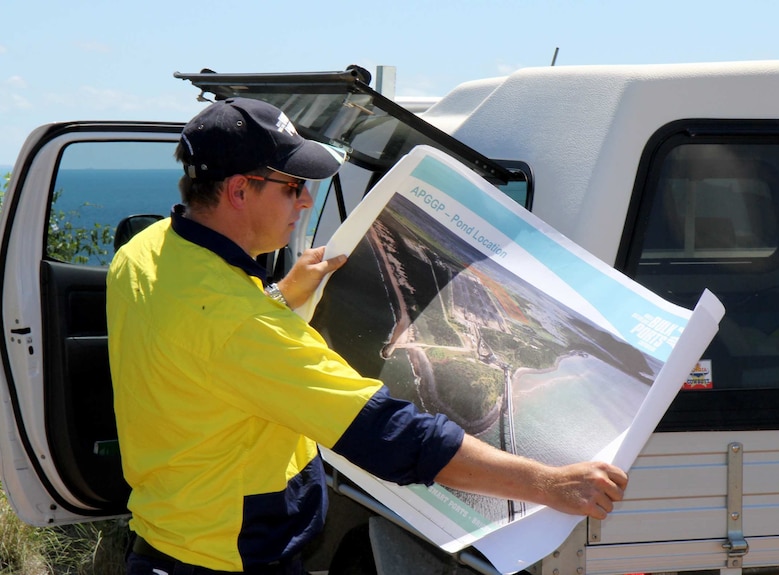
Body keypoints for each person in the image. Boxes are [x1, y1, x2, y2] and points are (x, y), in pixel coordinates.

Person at [107, 97, 628, 575]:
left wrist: (285, 294)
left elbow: (197, 352)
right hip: (228, 560)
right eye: (292, 186)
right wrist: (548, 484)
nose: (307, 201)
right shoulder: (239, 324)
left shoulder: (146, 251)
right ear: (240, 189)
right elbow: (390, 433)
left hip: (166, 539)